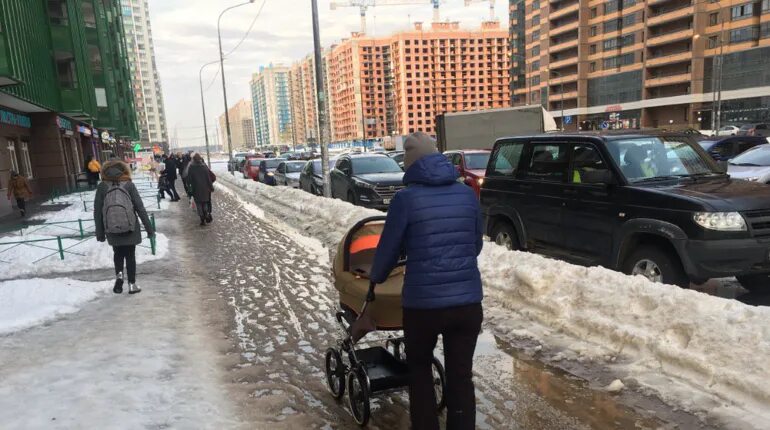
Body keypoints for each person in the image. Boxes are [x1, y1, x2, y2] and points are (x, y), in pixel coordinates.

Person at [369, 132, 483, 430]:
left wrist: (376, 278)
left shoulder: (405, 199)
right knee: (461, 376)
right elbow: (476, 245)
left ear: (410, 164)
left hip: (424, 308)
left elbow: (388, 251)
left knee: (418, 369)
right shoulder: (466, 194)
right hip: (468, 304)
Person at [94, 159, 155, 295]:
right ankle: (132, 284)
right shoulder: (129, 184)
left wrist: (100, 233)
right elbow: (140, 208)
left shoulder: (102, 186)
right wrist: (149, 229)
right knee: (130, 255)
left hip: (111, 227)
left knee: (118, 253)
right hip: (130, 226)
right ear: (124, 170)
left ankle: (119, 275)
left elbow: (97, 211)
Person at [186, 154, 215, 226]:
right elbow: (208, 178)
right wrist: (211, 187)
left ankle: (202, 219)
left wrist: (189, 187)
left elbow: (188, 179)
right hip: (205, 188)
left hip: (196, 189)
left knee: (198, 203)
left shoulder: (191, 168)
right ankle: (206, 213)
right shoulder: (204, 167)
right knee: (205, 202)